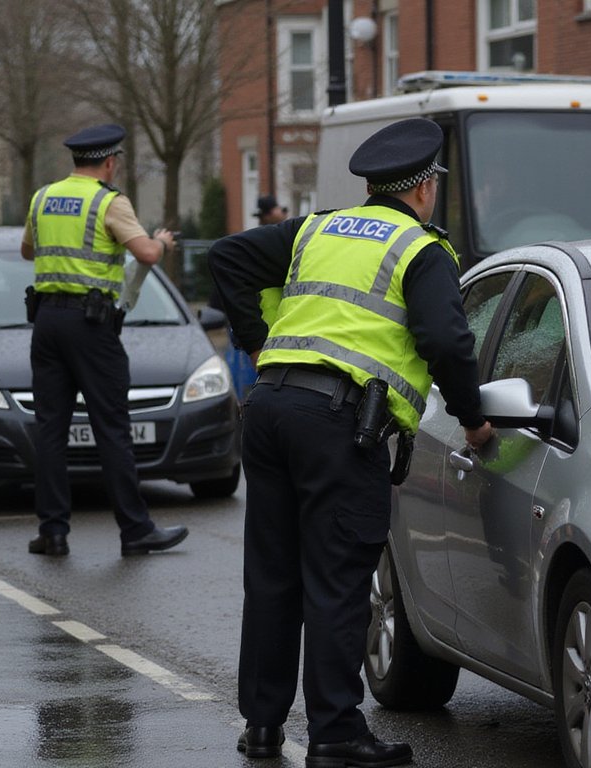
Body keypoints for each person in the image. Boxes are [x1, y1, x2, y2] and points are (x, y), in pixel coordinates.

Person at [208, 118, 493, 767]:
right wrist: (474, 420)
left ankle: (261, 726)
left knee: (274, 578)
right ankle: (336, 732)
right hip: (338, 424)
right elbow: (447, 343)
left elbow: (226, 257)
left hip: (272, 406)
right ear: (424, 188)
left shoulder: (316, 227)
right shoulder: (422, 250)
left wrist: (257, 341)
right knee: (337, 581)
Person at [21, 124, 189, 558]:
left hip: (46, 322)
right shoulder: (109, 201)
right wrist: (161, 242)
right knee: (112, 428)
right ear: (109, 162)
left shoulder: (42, 198)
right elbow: (147, 255)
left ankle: (53, 532)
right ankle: (135, 530)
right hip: (90, 327)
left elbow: (27, 250)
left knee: (51, 430)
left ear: (76, 160)